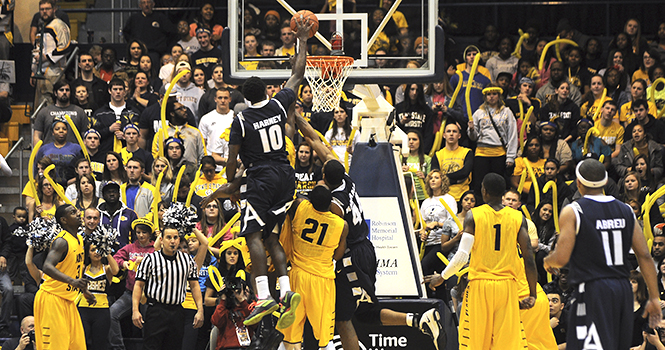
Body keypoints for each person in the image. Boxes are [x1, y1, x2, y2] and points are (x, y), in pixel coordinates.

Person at [295, 108, 445, 350]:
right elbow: (313, 137)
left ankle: (418, 320)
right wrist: (296, 117)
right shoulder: (345, 177)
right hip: (365, 249)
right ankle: (417, 320)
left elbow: (336, 242)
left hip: (351, 257)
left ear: (323, 175)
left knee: (344, 319)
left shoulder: (334, 207)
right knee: (364, 312)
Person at [220, 14, 314, 328]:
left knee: (250, 236)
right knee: (271, 235)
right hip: (286, 178)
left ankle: (263, 295)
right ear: (265, 93)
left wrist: (231, 181)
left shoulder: (241, 120)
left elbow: (232, 162)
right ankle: (286, 292)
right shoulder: (278, 103)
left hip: (261, 179)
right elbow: (298, 73)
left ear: (245, 99)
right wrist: (302, 39)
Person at [544, 158, 662, 349]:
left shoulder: (574, 210)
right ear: (606, 182)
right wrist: (654, 297)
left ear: (578, 183)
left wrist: (548, 261)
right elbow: (645, 256)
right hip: (622, 290)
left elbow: (561, 258)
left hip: (593, 289)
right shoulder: (625, 210)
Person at [431, 173, 538, 349]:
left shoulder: (474, 215)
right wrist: (532, 294)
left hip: (480, 286)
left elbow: (462, 255)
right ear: (503, 194)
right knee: (508, 344)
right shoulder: (518, 218)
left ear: (484, 191)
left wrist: (441, 277)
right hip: (506, 287)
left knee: (475, 342)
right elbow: (529, 258)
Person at [278, 185, 348, 350]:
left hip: (296, 277)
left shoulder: (300, 207)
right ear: (330, 203)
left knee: (289, 337)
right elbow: (338, 255)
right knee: (325, 339)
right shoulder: (341, 225)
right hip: (322, 281)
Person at [132, 225, 203, 350]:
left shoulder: (188, 260)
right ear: (161, 240)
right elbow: (138, 285)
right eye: (169, 237)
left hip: (177, 311)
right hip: (156, 310)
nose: (172, 241)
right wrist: (135, 310)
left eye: (176, 237)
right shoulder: (150, 259)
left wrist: (200, 310)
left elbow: (194, 285)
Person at [34, 204, 95, 350]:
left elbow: (74, 270)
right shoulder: (61, 241)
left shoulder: (79, 239)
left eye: (77, 211)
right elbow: (47, 266)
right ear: (64, 220)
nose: (78, 214)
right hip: (52, 299)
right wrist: (73, 282)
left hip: (68, 300)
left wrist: (84, 291)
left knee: (77, 346)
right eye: (73, 213)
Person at [108, 218, 155, 350]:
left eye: (144, 232)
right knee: (112, 314)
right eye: (138, 232)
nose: (141, 235)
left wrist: (146, 260)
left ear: (150, 234)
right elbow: (116, 258)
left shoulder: (155, 248)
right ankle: (118, 347)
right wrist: (123, 263)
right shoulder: (130, 248)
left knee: (150, 324)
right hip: (129, 293)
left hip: (149, 295)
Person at [468, 85, 518, 201]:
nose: (491, 97)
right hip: (481, 152)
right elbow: (473, 137)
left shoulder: (507, 112)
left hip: (499, 152)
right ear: (485, 97)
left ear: (499, 95)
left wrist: (510, 157)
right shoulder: (478, 113)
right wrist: (470, 130)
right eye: (489, 94)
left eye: (494, 94)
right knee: (480, 184)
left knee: (498, 184)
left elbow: (512, 134)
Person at [77, 241, 120, 350]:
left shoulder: (106, 269)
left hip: (102, 310)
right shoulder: (83, 268)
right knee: (82, 342)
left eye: (98, 249)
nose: (96, 252)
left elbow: (116, 270)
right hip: (83, 309)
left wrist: (107, 251)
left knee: (100, 344)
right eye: (92, 250)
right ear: (88, 253)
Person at [30, 0, 71, 106]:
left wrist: (46, 57)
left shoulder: (59, 25)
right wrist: (33, 71)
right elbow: (37, 49)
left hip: (54, 73)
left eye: (47, 9)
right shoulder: (41, 26)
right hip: (40, 75)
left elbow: (65, 47)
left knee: (50, 105)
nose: (44, 12)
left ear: (54, 9)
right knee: (39, 108)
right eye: (42, 9)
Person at [93, 78, 141, 155]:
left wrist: (126, 136)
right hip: (105, 154)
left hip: (130, 155)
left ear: (125, 91)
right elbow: (93, 135)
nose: (118, 92)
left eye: (120, 89)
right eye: (115, 89)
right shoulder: (100, 113)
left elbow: (140, 135)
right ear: (109, 91)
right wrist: (109, 130)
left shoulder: (134, 112)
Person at [32, 80, 87, 147]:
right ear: (55, 93)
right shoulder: (44, 112)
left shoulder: (79, 112)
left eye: (67, 90)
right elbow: (37, 136)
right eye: (61, 90)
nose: (64, 92)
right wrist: (38, 154)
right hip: (49, 153)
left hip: (74, 153)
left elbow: (85, 136)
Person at [431, 123, 473, 201]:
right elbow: (435, 177)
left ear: (459, 136)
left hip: (463, 198)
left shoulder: (467, 152)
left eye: (454, 131)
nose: (451, 134)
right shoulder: (437, 155)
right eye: (448, 131)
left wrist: (443, 178)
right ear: (444, 135)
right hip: (443, 198)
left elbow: (464, 173)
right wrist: (457, 180)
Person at [34, 118, 82, 185]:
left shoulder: (76, 148)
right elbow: (36, 169)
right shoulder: (44, 149)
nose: (61, 131)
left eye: (64, 129)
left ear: (67, 131)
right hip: (49, 187)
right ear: (53, 132)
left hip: (71, 186)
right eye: (57, 129)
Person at [98, 181, 137, 248]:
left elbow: (136, 238)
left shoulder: (130, 214)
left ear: (119, 194)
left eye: (114, 191)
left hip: (124, 255)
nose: (112, 194)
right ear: (103, 195)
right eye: (108, 192)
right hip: (101, 255)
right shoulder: (97, 214)